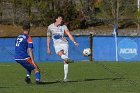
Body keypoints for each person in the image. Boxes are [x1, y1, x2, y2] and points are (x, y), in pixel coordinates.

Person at [47, 14, 79, 82]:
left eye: (62, 19)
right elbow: (48, 38)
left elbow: (69, 34)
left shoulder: (64, 26)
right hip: (56, 44)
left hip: (64, 44)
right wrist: (48, 48)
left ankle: (65, 78)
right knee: (59, 53)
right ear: (56, 19)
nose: (61, 20)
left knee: (65, 62)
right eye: (60, 19)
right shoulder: (50, 27)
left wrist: (74, 42)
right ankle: (67, 58)